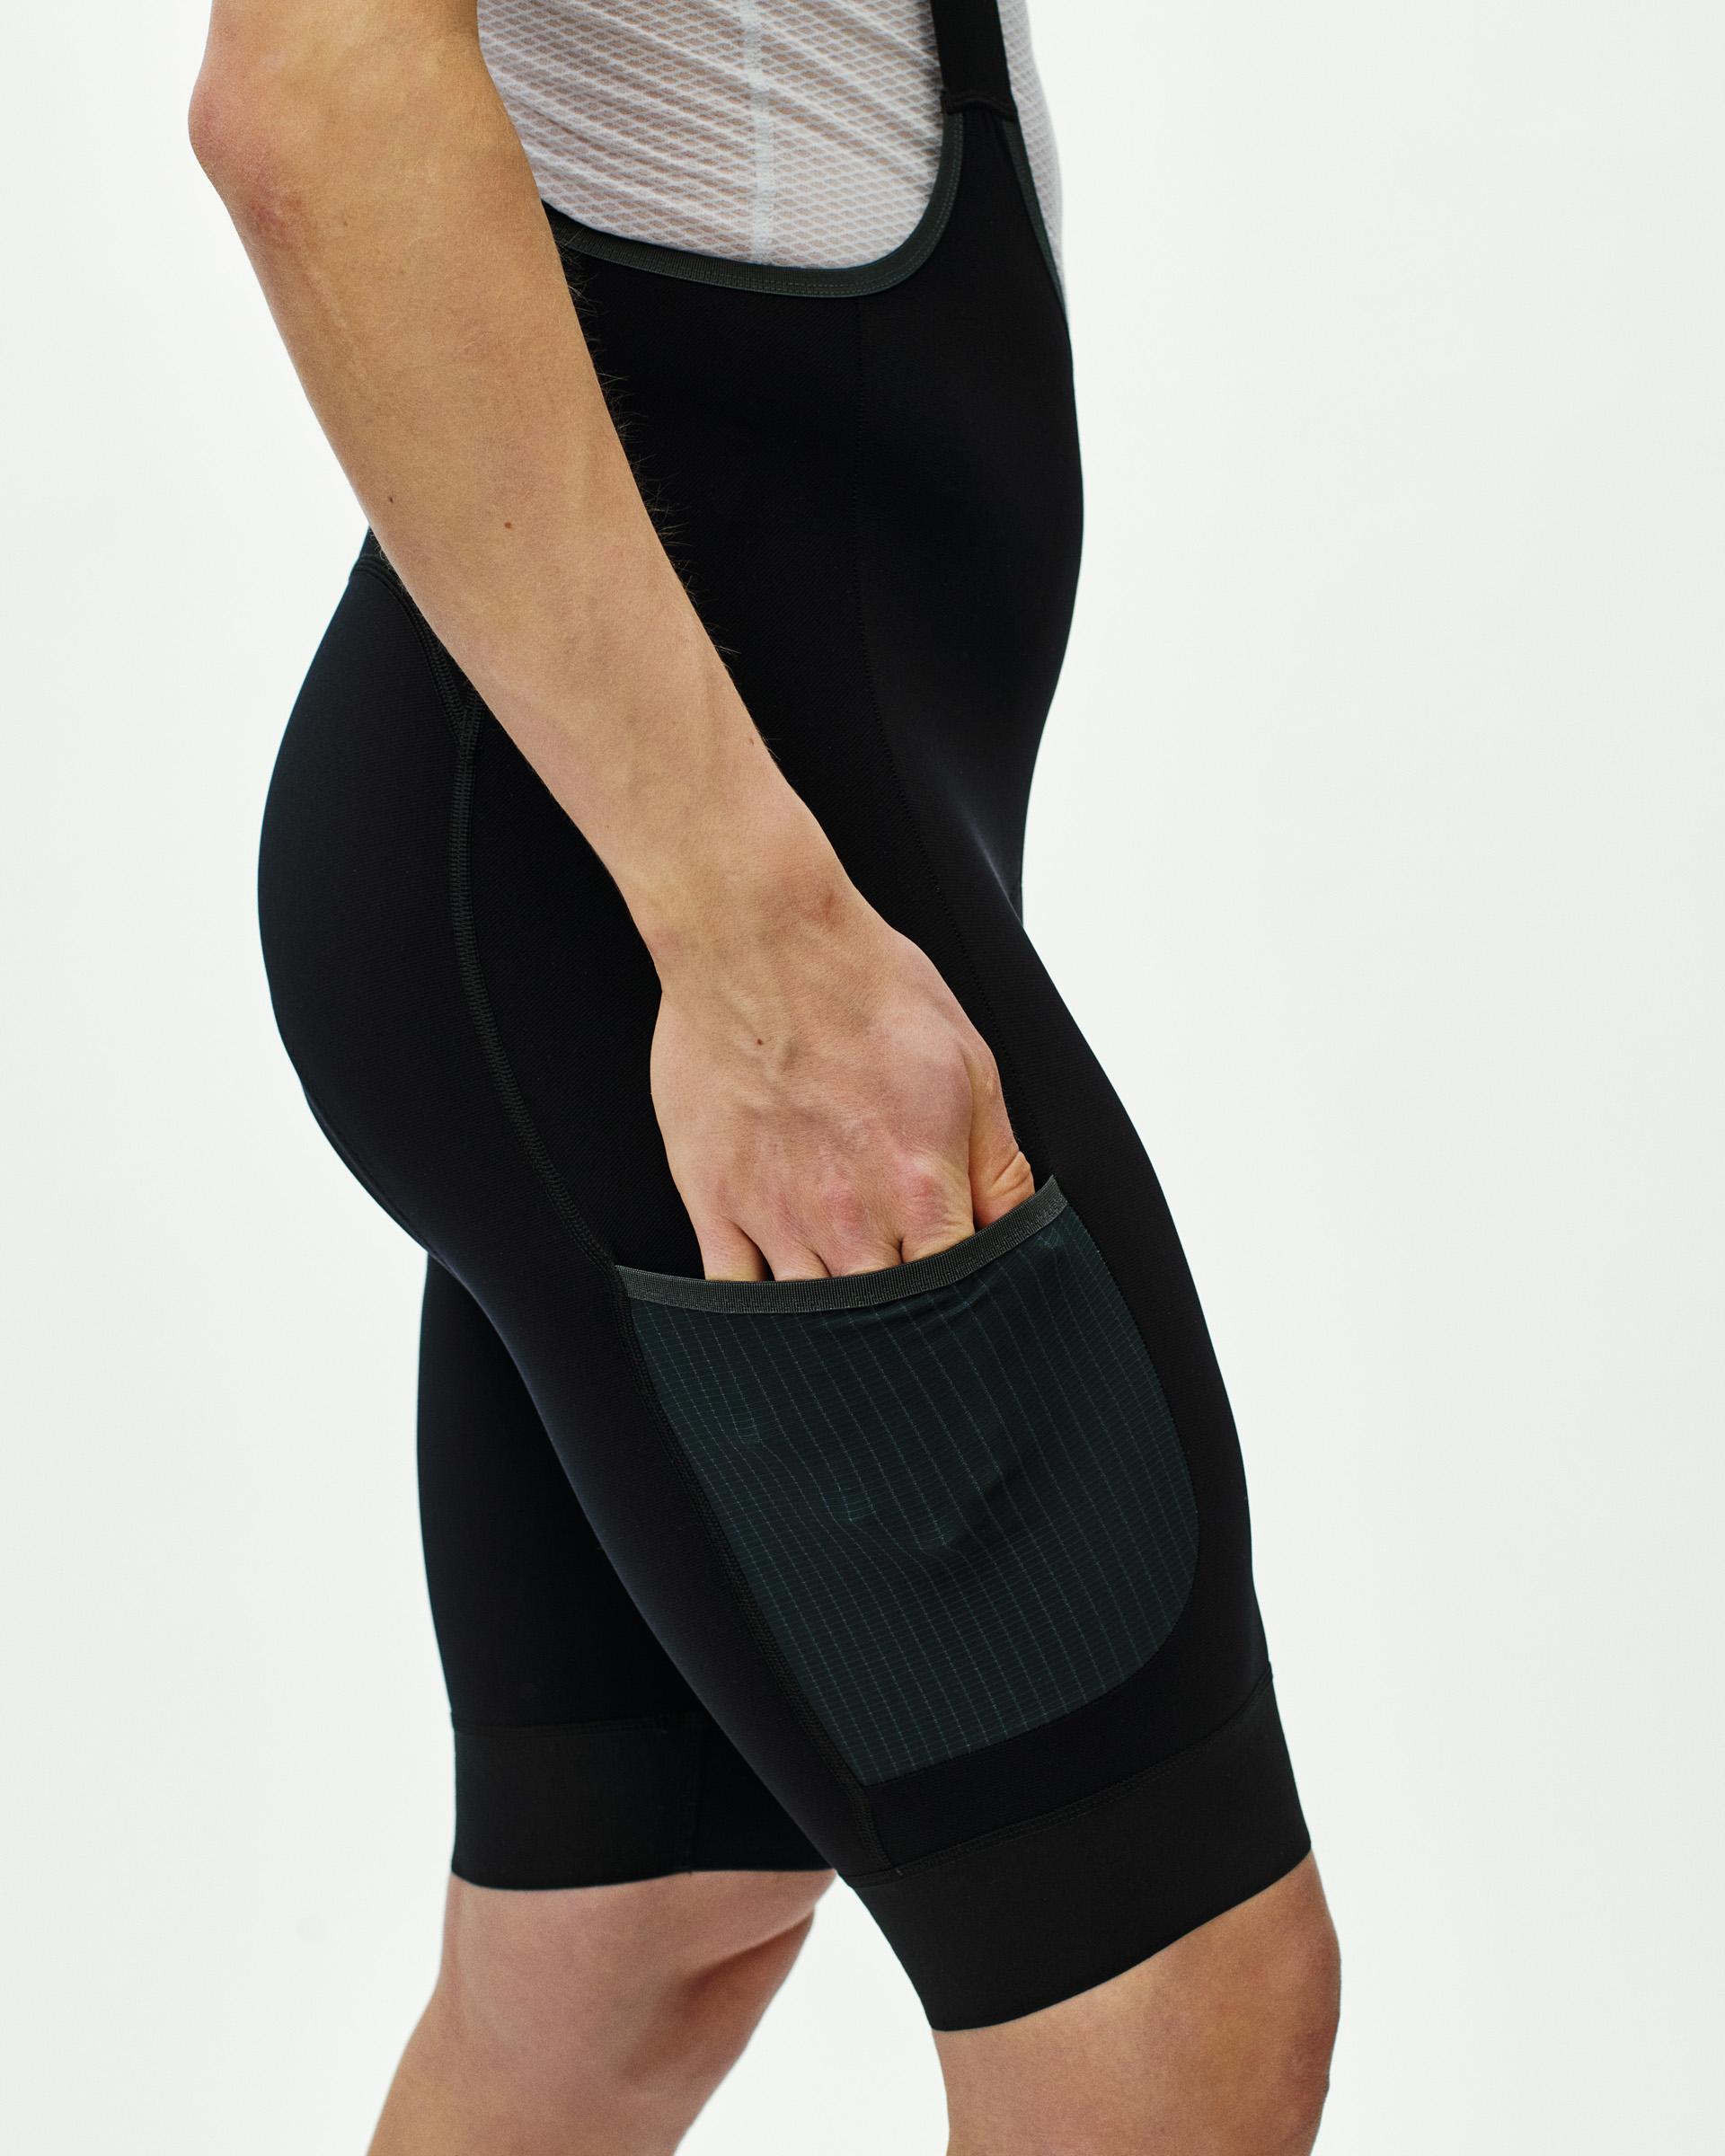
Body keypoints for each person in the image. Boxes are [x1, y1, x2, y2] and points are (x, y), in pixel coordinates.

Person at [189, 3, 1340, 2149]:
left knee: (638, 1944)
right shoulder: (728, 932)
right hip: (660, 904)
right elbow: (311, 97)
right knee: (1174, 1997)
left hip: (658, 854)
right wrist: (751, 951)